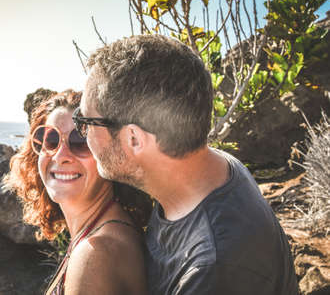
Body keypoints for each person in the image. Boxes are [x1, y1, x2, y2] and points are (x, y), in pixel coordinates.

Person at [73, 34, 299, 295]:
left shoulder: (213, 269)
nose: (82, 132)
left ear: (133, 138)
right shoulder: (212, 167)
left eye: (86, 122)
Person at [8, 91, 152, 295]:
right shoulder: (108, 231)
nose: (60, 155)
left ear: (110, 157)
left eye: (80, 141)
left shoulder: (96, 254)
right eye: (49, 139)